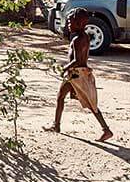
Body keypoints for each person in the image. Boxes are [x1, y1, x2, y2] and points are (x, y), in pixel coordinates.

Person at [45, 8, 113, 141]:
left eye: (71, 22)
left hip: (76, 75)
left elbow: (77, 60)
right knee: (63, 97)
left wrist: (65, 68)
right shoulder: (84, 36)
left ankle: (106, 130)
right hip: (79, 74)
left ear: (79, 23)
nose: (68, 24)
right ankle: (56, 125)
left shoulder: (77, 39)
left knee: (84, 102)